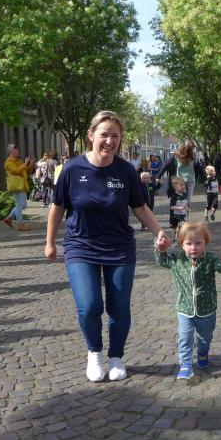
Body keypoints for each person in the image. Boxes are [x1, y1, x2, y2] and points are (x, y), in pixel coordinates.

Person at [45, 111, 170, 382]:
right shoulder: (72, 169)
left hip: (119, 248)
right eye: (104, 135)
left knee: (119, 307)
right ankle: (94, 353)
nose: (109, 141)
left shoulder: (126, 171)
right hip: (81, 246)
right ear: (91, 135)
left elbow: (140, 207)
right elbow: (57, 207)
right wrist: (50, 241)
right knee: (89, 306)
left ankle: (116, 357)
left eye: (115, 136)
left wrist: (159, 231)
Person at [155, 221, 221, 379]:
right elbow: (161, 260)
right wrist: (160, 249)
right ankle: (185, 364)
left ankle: (203, 352)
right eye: (188, 243)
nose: (193, 247)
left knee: (205, 337)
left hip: (207, 309)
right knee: (184, 338)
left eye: (198, 243)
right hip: (184, 310)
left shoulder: (210, 259)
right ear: (182, 244)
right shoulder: (177, 260)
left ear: (205, 242)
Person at [3, 144, 33, 231]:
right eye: (16, 149)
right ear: (11, 151)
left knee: (23, 205)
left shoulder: (19, 160)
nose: (18, 151)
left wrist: (31, 163)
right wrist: (25, 164)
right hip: (16, 185)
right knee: (19, 205)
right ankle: (20, 224)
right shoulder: (8, 162)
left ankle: (8, 218)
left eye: (17, 149)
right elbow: (15, 171)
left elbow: (26, 171)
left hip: (21, 185)